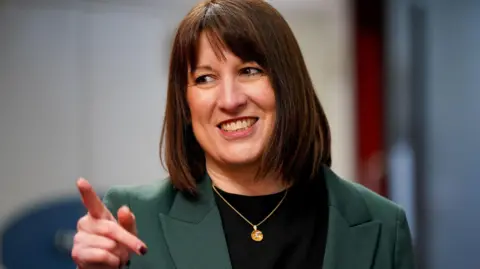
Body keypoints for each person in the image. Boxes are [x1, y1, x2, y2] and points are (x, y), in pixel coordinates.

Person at [71, 0, 415, 268]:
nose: (231, 100)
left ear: (288, 86)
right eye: (205, 78)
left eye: (249, 71)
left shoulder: (383, 225)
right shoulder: (133, 221)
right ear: (185, 105)